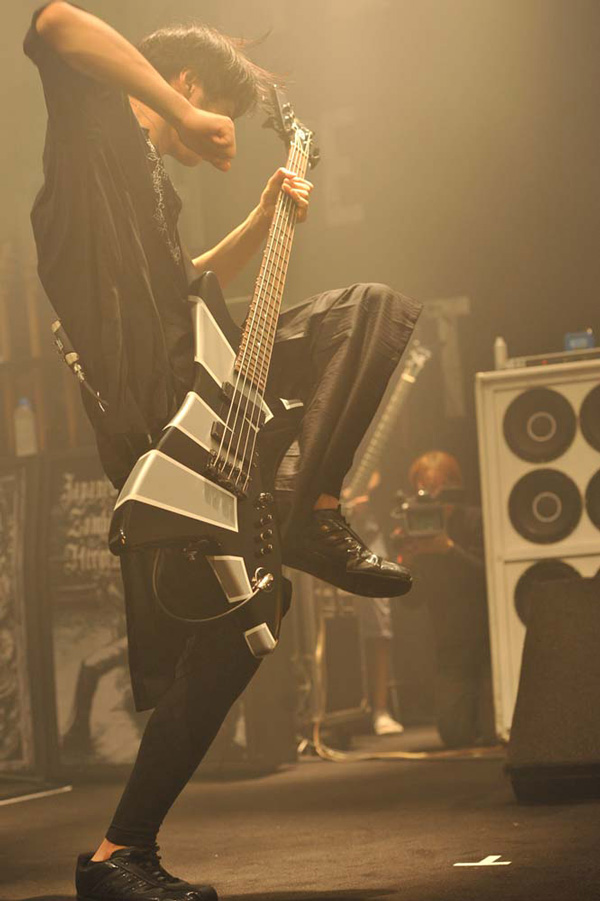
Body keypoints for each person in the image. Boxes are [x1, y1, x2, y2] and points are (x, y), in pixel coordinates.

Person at [25, 4, 422, 899]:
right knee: (236, 622)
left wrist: (263, 215)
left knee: (372, 313)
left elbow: (188, 293)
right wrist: (179, 107)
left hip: (198, 380)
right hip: (154, 417)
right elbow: (51, 20)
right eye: (217, 114)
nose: (214, 136)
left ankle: (121, 853)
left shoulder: (156, 192)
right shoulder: (92, 135)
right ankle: (121, 854)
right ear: (186, 82)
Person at [396, 451, 495, 749]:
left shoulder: (476, 519)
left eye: (436, 486)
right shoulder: (414, 528)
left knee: (496, 730)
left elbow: (490, 576)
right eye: (423, 487)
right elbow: (411, 602)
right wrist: (407, 565)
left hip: (489, 638)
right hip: (451, 643)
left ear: (453, 485)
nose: (431, 494)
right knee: (454, 734)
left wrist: (449, 549)